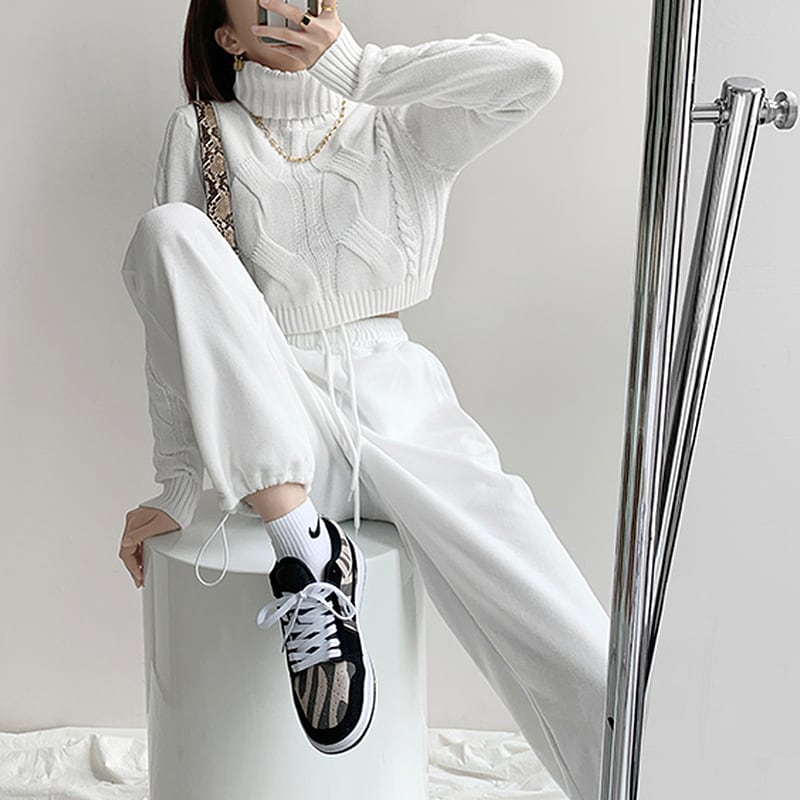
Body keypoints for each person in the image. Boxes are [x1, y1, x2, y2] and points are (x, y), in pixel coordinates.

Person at [117, 0, 610, 796]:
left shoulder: (396, 120)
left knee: (566, 629)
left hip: (404, 409)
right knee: (166, 230)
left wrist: (358, 68)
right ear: (226, 34)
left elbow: (534, 76)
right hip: (279, 419)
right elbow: (173, 323)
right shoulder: (201, 133)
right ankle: (306, 553)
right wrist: (177, 483)